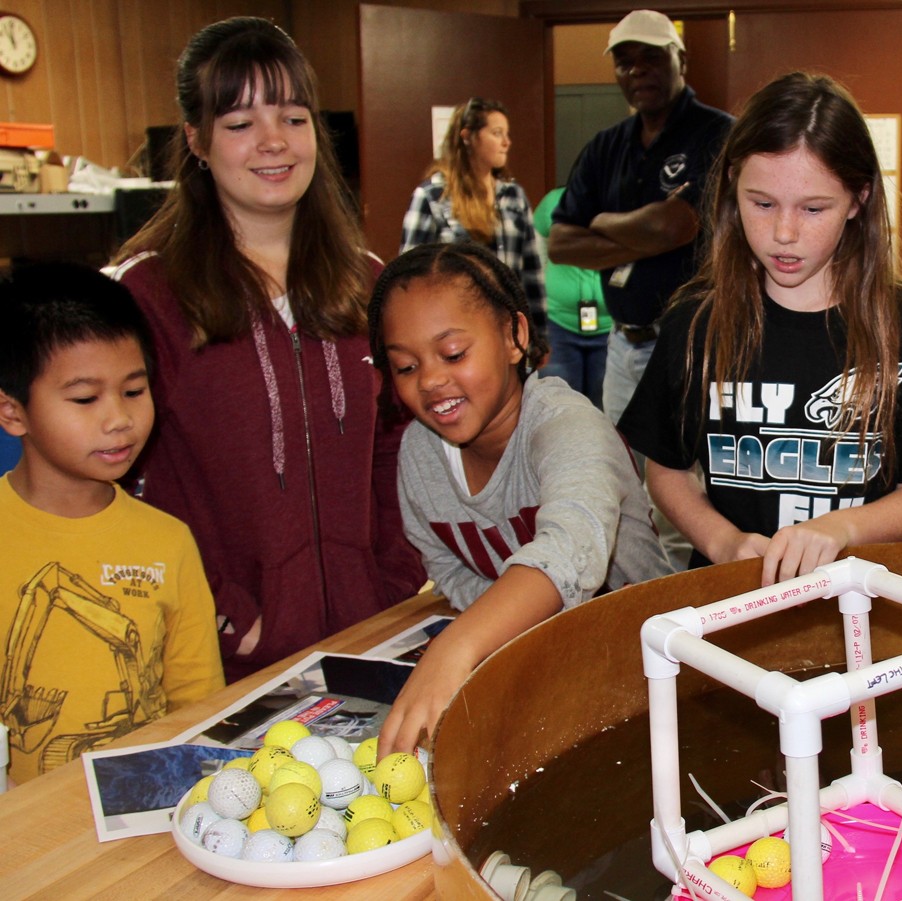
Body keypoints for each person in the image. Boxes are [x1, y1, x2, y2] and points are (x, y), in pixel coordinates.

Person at [110, 17, 423, 681]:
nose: (274, 141)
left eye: (293, 116)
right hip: (228, 655)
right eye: (240, 122)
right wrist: (227, 608)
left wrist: (395, 571)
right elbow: (120, 480)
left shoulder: (365, 280)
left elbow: (397, 441)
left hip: (371, 633)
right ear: (194, 138)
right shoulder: (149, 293)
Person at [618, 72, 902, 586]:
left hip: (863, 600)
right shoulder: (695, 321)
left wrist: (841, 529)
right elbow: (668, 471)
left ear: (858, 200)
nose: (784, 233)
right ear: (731, 190)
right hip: (734, 595)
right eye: (762, 204)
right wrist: (724, 542)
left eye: (813, 209)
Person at [370, 242, 670, 756]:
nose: (432, 380)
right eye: (405, 367)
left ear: (515, 336)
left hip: (651, 680)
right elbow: (448, 569)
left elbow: (569, 551)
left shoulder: (568, 426)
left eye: (453, 354)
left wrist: (456, 646)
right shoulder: (418, 456)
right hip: (542, 681)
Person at [0, 264, 223, 782]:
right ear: (13, 413)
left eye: (133, 391)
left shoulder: (167, 542)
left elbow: (199, 706)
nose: (118, 419)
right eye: (85, 399)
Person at [549, 9, 733, 426]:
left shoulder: (719, 134)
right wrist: (648, 230)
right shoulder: (605, 147)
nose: (637, 70)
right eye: (624, 61)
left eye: (651, 56)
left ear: (680, 60)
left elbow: (678, 225)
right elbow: (560, 244)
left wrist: (600, 221)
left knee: (689, 474)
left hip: (693, 344)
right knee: (624, 474)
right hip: (622, 342)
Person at [399, 97, 546, 333]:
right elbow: (407, 275)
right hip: (453, 326)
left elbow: (531, 271)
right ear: (468, 136)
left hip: (508, 328)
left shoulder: (513, 196)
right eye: (497, 133)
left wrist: (539, 333)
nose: (507, 142)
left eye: (507, 134)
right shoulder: (432, 196)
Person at [534, 186, 609, 407]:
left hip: (611, 330)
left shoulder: (622, 201)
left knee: (604, 412)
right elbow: (536, 260)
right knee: (558, 405)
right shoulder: (553, 201)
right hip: (558, 325)